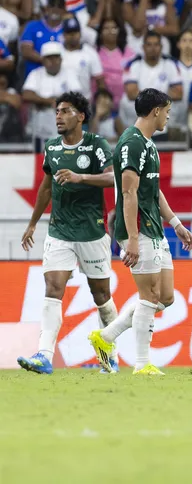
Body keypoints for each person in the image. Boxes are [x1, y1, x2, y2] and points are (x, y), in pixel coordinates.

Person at [89, 88, 192, 376]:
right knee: (149, 294)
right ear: (156, 111)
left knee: (166, 296)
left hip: (154, 227)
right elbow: (128, 191)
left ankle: (106, 336)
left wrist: (176, 223)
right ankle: (141, 363)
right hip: (136, 228)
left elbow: (153, 190)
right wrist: (132, 240)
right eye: (167, 111)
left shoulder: (148, 144)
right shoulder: (130, 144)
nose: (169, 116)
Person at [17, 93, 117, 375]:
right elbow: (46, 188)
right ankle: (44, 355)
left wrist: (80, 177)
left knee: (101, 296)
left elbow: (113, 178)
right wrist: (33, 222)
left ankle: (108, 355)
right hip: (59, 230)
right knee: (53, 288)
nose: (58, 116)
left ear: (81, 116)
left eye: (65, 111)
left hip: (92, 230)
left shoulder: (96, 145)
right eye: (56, 112)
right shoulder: (51, 148)